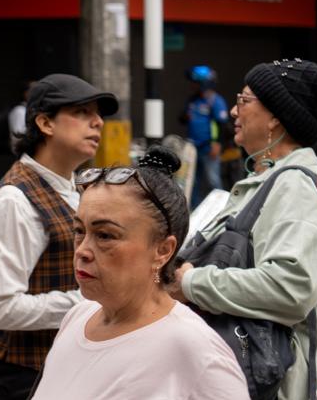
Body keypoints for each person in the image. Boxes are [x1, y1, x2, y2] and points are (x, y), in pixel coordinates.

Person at [165, 57, 317, 400]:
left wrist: (190, 282)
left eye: (244, 101)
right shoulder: (264, 181)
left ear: (277, 117)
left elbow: (290, 289)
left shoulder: (296, 187)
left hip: (282, 384)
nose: (234, 112)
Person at [31, 147, 247, 399]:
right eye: (79, 230)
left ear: (163, 250)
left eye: (105, 235)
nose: (83, 251)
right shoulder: (77, 317)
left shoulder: (195, 350)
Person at [0, 73, 115, 400]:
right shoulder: (15, 201)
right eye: (82, 113)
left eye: (97, 115)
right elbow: (1, 307)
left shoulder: (75, 185)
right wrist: (88, 300)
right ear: (45, 123)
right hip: (26, 377)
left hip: (69, 365)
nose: (97, 123)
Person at [180, 65, 229, 208]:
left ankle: (221, 209)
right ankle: (195, 209)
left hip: (208, 147)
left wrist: (217, 143)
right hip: (193, 148)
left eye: (195, 82)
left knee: (213, 180)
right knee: (192, 182)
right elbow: (182, 119)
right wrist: (185, 116)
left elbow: (221, 124)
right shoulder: (192, 100)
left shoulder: (215, 100)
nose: (192, 85)